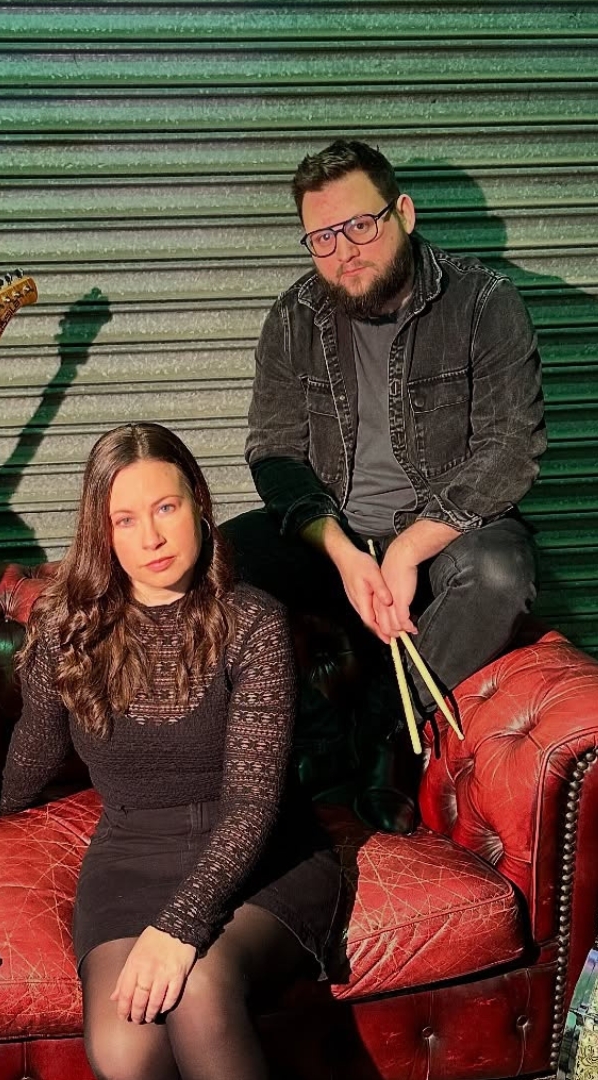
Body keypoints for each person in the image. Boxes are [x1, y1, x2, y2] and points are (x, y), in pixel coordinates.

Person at [0, 423, 341, 1080]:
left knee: (200, 988)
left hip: (263, 855)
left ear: (199, 506)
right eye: (124, 519)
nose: (150, 537)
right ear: (102, 534)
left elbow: (251, 806)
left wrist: (179, 927)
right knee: (125, 1049)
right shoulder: (67, 627)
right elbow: (38, 747)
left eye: (165, 508)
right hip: (131, 853)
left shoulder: (253, 621)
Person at [225, 139, 545, 832]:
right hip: (335, 531)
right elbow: (274, 454)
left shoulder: (484, 303)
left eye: (360, 225)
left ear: (403, 212)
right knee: (213, 564)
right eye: (322, 238)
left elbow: (510, 450)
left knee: (499, 574)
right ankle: (319, 742)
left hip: (447, 531)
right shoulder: (293, 317)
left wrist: (406, 550)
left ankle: (385, 731)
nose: (343, 251)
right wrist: (344, 554)